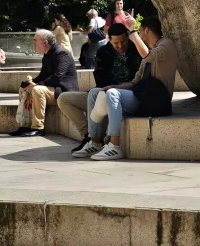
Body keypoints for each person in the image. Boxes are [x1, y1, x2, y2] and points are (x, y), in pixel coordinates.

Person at [75, 15, 178, 161]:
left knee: (111, 95)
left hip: (157, 100)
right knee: (95, 92)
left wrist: (133, 30)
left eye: (140, 32)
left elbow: (148, 56)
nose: (139, 35)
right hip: (142, 95)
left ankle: (114, 145)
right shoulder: (149, 48)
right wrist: (114, 86)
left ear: (146, 30)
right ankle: (95, 141)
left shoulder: (166, 44)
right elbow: (136, 81)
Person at [59, 23, 145, 153]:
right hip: (104, 92)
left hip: (126, 94)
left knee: (107, 95)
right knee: (64, 98)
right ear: (109, 39)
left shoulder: (136, 51)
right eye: (116, 43)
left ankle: (95, 139)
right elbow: (100, 78)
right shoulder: (102, 52)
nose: (120, 46)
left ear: (128, 37)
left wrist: (117, 88)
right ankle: (89, 137)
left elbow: (140, 79)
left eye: (123, 42)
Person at [10, 29, 78, 137]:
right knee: (24, 88)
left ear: (45, 42)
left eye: (35, 41)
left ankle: (38, 128)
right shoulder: (47, 54)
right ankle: (25, 125)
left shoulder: (61, 53)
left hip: (64, 93)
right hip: (52, 89)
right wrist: (29, 83)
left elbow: (58, 77)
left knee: (37, 89)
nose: (33, 44)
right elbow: (43, 75)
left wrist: (36, 85)